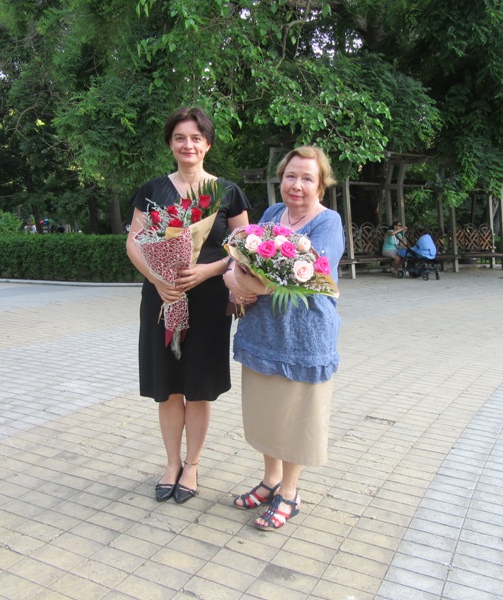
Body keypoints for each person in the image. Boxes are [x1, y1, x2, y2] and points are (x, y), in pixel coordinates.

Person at [126, 107, 251, 504]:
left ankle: (192, 465)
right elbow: (134, 242)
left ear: (208, 144)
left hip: (209, 299)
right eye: (180, 137)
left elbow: (244, 247)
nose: (188, 145)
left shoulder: (226, 192)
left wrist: (208, 270)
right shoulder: (152, 191)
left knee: (198, 388)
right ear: (170, 144)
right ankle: (170, 463)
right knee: (167, 388)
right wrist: (157, 279)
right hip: (161, 299)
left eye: (196, 138)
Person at [223, 146, 344, 530]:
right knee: (268, 414)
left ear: (321, 185)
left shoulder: (328, 222)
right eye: (291, 176)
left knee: (294, 418)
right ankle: (270, 480)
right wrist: (232, 276)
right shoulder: (274, 213)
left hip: (303, 336)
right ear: (281, 178)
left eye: (307, 178)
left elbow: (306, 275)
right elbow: (243, 258)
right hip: (264, 332)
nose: (297, 185)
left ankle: (289, 493)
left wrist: (244, 283)